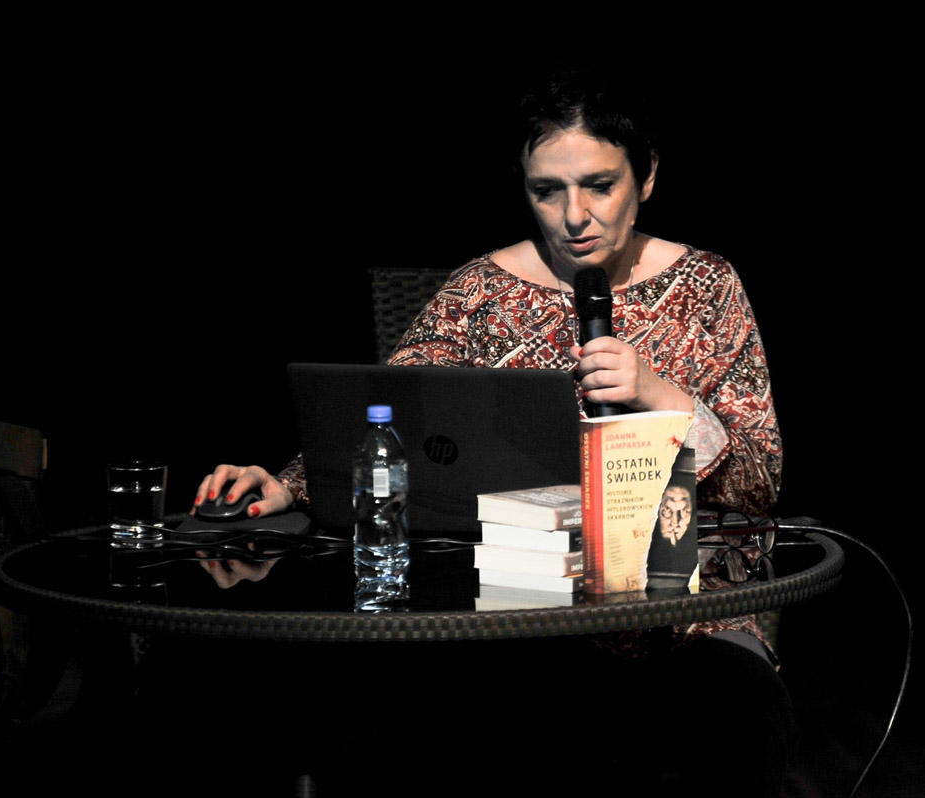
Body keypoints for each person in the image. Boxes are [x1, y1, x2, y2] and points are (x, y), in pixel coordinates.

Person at [192, 65, 791, 790]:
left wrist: (659, 393)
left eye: (600, 185)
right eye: (548, 190)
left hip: (686, 610)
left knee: (733, 714)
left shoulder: (709, 286)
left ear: (648, 177)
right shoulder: (479, 292)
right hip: (515, 608)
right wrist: (287, 484)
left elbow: (759, 483)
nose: (575, 215)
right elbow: (388, 415)